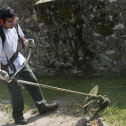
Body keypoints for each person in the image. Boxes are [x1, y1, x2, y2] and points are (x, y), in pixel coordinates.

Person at [0, 7, 58, 125]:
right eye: (9, 21)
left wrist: (25, 41)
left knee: (31, 79)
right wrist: (1, 72)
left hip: (18, 60)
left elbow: (20, 37)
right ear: (2, 21)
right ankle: (18, 116)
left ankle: (42, 105)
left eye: (14, 20)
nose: (12, 23)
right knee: (16, 90)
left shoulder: (15, 26)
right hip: (6, 67)